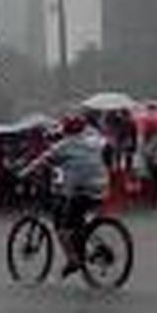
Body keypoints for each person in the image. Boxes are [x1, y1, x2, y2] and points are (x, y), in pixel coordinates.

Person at [19, 115, 107, 276]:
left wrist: (23, 173)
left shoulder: (64, 146)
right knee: (76, 218)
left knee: (62, 228)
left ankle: (73, 260)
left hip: (81, 191)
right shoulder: (93, 143)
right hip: (100, 188)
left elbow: (42, 160)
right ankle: (88, 244)